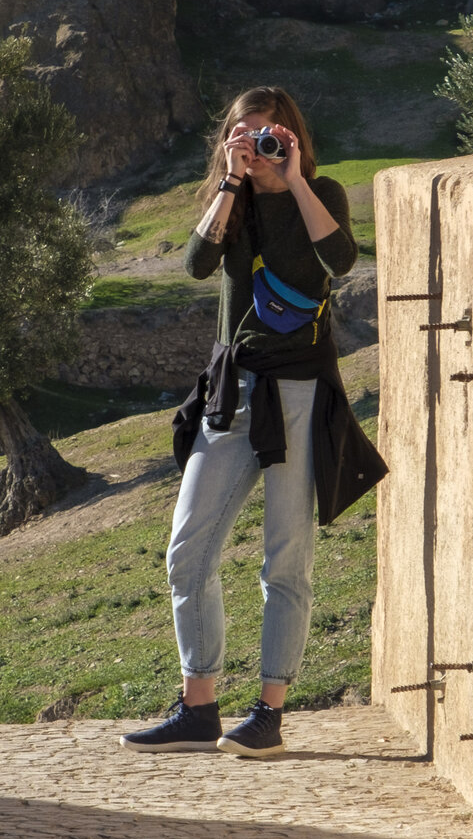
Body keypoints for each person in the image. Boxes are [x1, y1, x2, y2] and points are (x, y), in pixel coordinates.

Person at [123, 86, 385, 758]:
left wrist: (292, 180)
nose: (262, 146)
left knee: (286, 560)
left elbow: (342, 261)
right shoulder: (228, 201)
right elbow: (196, 263)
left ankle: (268, 711)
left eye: (273, 136)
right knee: (187, 551)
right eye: (248, 136)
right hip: (233, 392)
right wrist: (233, 182)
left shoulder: (320, 192)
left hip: (299, 391)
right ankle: (199, 705)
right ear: (230, 141)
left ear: (294, 138)